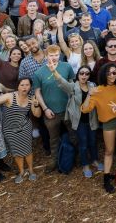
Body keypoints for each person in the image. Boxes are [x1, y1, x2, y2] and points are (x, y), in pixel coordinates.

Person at [81, 63, 116, 193]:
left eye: (114, 73)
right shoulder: (98, 90)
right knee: (109, 150)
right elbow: (85, 109)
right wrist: (89, 94)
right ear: (104, 74)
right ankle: (106, 179)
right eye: (108, 73)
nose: (112, 76)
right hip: (108, 122)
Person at [53, 65, 101, 178]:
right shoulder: (73, 87)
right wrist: (54, 71)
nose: (84, 76)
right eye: (81, 73)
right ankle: (85, 165)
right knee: (83, 143)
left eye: (87, 73)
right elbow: (62, 82)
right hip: (79, 121)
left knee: (93, 141)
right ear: (78, 75)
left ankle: (94, 160)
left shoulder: (92, 85)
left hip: (92, 119)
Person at [33, 44, 75, 172]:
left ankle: (75, 158)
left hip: (68, 110)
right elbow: (37, 92)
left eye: (56, 55)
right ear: (46, 56)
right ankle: (54, 161)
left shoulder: (66, 67)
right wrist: (45, 108)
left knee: (74, 135)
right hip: (50, 112)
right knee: (53, 138)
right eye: (51, 55)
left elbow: (72, 86)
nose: (54, 58)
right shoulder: (39, 72)